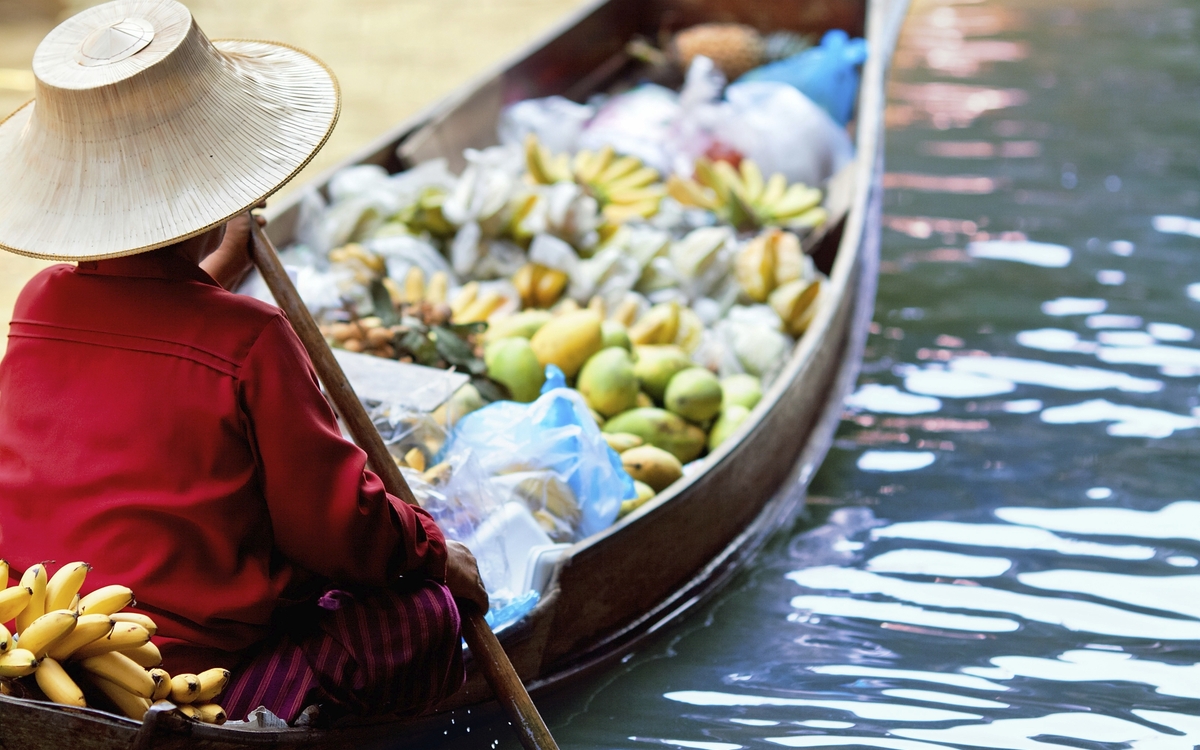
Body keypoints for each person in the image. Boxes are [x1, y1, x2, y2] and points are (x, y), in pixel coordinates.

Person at [0, 0, 487, 725]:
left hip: (42, 646)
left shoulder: (41, 303)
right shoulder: (252, 338)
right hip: (184, 675)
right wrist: (432, 551)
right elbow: (337, 536)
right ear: (218, 188)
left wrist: (216, 268)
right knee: (420, 614)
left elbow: (152, 332)